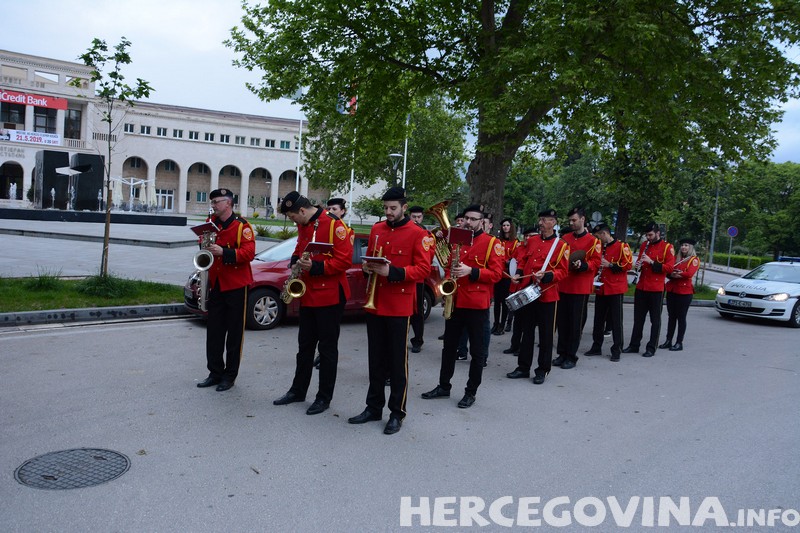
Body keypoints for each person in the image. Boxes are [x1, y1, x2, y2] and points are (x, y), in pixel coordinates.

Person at [348, 187, 432, 435]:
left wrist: (393, 272)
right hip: (376, 303)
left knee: (397, 363)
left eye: (393, 208)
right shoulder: (377, 229)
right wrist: (368, 268)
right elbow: (373, 259)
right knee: (375, 360)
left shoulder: (419, 234)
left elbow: (423, 270)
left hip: (399, 305)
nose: (388, 212)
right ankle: (373, 407)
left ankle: (397, 412)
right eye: (385, 208)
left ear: (404, 207)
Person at [273, 192, 353, 415]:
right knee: (304, 347)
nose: (292, 221)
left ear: (301, 210)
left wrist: (316, 268)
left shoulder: (335, 225)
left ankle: (323, 397)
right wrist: (293, 260)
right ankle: (298, 391)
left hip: (330, 296)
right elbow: (300, 246)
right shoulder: (305, 223)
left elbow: (344, 260)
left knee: (327, 351)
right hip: (309, 294)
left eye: (291, 216)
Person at [421, 205, 504, 408]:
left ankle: (471, 391)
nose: (468, 222)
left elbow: (496, 274)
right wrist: (449, 277)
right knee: (448, 348)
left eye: (474, 219)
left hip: (477, 304)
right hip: (456, 301)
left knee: (476, 351)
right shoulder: (458, 239)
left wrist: (471, 271)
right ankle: (443, 386)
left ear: (482, 222)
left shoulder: (493, 243)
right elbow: (449, 265)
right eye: (466, 218)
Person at [196, 188, 255, 392]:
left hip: (236, 285)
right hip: (217, 283)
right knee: (214, 331)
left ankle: (229, 376)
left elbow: (249, 253)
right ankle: (214, 372)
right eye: (212, 202)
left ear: (228, 203)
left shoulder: (242, 226)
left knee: (234, 333)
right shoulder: (210, 225)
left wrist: (225, 252)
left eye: (216, 202)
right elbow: (203, 248)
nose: (213, 205)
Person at [506, 209, 569, 385]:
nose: (541, 223)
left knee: (546, 335)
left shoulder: (561, 245)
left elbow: (563, 271)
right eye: (540, 219)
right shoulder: (532, 240)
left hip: (547, 294)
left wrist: (547, 276)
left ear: (554, 222)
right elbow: (524, 260)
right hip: (528, 292)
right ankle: (523, 367)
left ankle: (542, 370)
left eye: (545, 220)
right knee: (527, 332)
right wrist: (518, 272)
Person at [554, 208, 601, 369]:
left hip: (580, 287)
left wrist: (583, 265)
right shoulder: (565, 238)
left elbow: (596, 262)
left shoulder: (593, 241)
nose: (571, 223)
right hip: (563, 285)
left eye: (574, 220)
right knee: (562, 322)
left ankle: (571, 356)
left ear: (582, 219)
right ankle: (561, 353)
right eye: (570, 221)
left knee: (575, 324)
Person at [623, 222, 675, 358]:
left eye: (651, 235)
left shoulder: (667, 247)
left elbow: (669, 268)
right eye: (647, 235)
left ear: (658, 233)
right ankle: (634, 345)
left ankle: (651, 347)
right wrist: (638, 266)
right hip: (642, 286)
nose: (648, 237)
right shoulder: (644, 245)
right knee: (638, 319)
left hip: (656, 288)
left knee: (655, 320)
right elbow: (640, 262)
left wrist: (652, 262)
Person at [584, 223, 633, 361]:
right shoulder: (601, 248)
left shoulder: (622, 246)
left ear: (605, 234)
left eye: (598, 236)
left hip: (615, 288)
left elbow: (628, 264)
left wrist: (610, 265)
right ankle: (596, 346)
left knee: (616, 320)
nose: (597, 239)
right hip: (602, 288)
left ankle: (616, 349)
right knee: (598, 320)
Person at [502, 226, 538, 356]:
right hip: (517, 286)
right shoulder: (519, 248)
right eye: (526, 236)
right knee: (517, 319)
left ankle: (522, 347)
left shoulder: (536, 249)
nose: (528, 238)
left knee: (527, 323)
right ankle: (514, 345)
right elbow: (515, 263)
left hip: (529, 288)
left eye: (531, 236)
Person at [660, 238, 700, 352]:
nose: (683, 247)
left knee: (681, 317)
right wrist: (672, 274)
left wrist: (679, 274)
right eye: (682, 245)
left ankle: (679, 342)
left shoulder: (693, 259)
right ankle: (668, 340)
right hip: (672, 290)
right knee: (671, 317)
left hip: (684, 292)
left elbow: (690, 273)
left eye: (686, 245)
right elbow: (668, 270)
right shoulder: (676, 258)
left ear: (691, 247)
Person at [408, 205, 433, 353]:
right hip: (402, 276)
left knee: (417, 311)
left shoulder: (427, 235)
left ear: (422, 218)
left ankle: (418, 340)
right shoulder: (404, 232)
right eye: (413, 217)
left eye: (419, 217)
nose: (416, 220)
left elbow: (428, 256)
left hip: (417, 279)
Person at [492, 218, 518, 335]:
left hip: (508, 276)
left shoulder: (516, 243)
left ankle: (502, 325)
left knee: (504, 301)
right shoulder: (498, 241)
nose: (505, 227)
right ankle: (496, 323)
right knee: (497, 301)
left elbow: (516, 259)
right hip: (499, 274)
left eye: (507, 225)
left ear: (511, 227)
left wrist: (509, 261)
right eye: (503, 225)